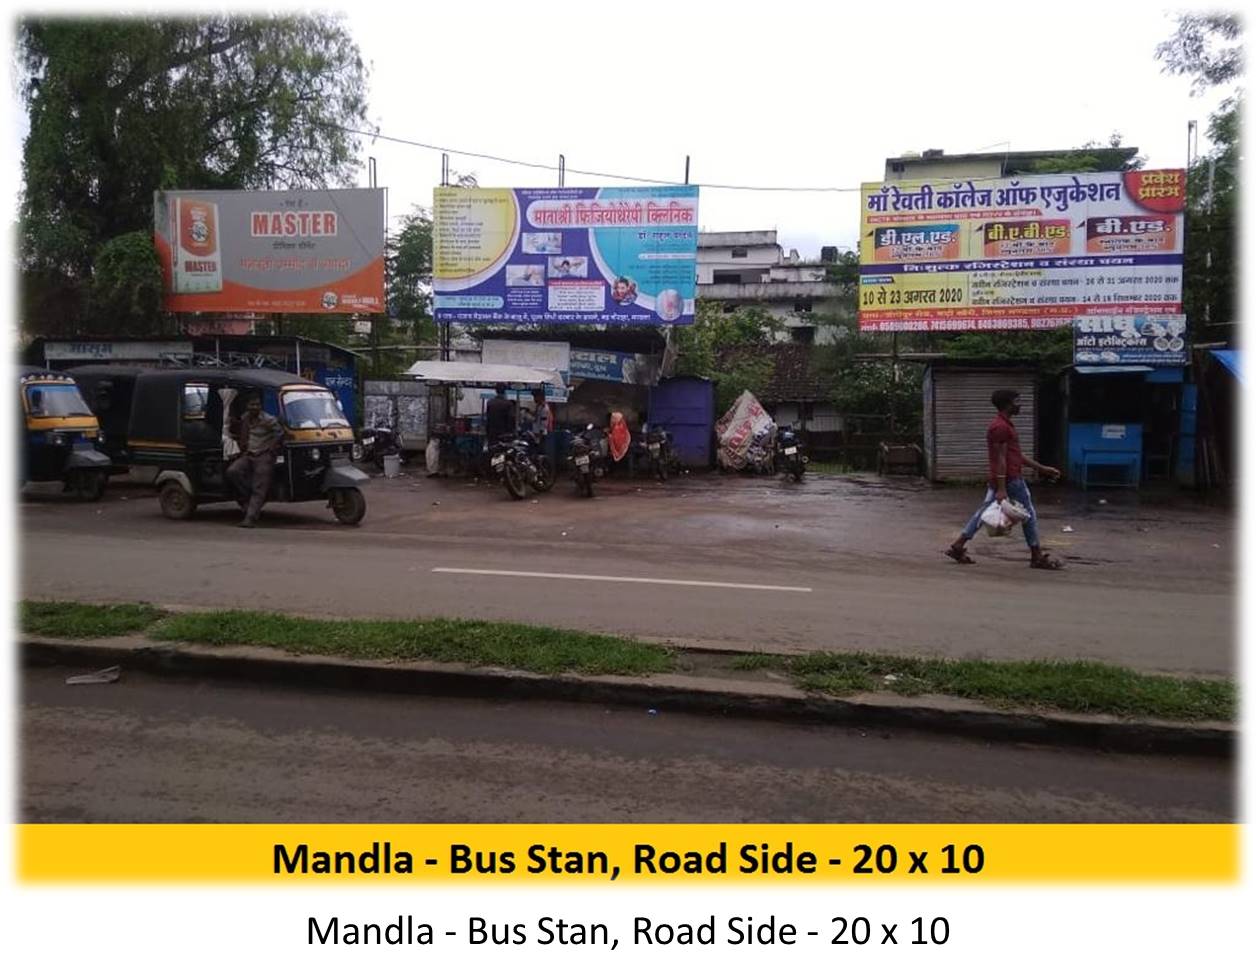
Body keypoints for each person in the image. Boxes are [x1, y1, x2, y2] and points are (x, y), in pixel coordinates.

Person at [945, 389, 1064, 570]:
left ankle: (958, 545)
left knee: (983, 512)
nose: (1020, 404)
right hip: (1010, 479)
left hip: (1003, 478)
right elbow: (1001, 459)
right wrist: (1002, 488)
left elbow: (1015, 455)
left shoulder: (1005, 425)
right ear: (1008, 404)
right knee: (1029, 515)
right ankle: (1036, 555)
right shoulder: (1000, 427)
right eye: (1017, 401)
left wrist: (1042, 469)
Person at [226, 392, 283, 529]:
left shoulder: (268, 419)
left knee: (259, 485)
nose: (254, 407)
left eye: (257, 404)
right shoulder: (245, 418)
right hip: (248, 454)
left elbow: (280, 433)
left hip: (263, 455)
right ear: (247, 406)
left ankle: (250, 517)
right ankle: (250, 500)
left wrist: (271, 448)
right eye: (252, 405)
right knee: (232, 472)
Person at [485, 383, 516, 447]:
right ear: (505, 391)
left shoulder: (490, 403)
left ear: (496, 391)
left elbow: (488, 418)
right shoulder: (508, 404)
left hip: (492, 433)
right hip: (504, 433)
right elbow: (511, 419)